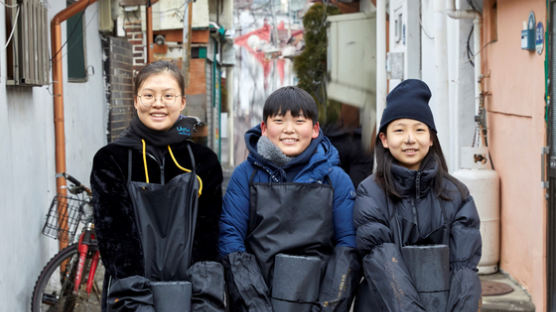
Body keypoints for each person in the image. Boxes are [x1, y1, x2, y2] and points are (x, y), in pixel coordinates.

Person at [91, 61, 225, 311]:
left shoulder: (203, 161)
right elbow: (115, 239)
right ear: (135, 100)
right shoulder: (111, 159)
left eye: (168, 95)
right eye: (149, 95)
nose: (158, 103)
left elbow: (208, 237)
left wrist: (202, 302)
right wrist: (138, 304)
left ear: (182, 102)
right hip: (132, 297)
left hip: (193, 296)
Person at [219, 86, 361, 312]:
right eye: (279, 120)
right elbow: (231, 238)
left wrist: (327, 307)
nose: (289, 130)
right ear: (264, 128)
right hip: (256, 301)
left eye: (299, 121)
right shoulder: (245, 176)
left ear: (315, 129)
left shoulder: (336, 180)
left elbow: (347, 246)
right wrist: (256, 304)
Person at [353, 79, 482, 311]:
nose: (410, 139)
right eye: (399, 130)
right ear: (384, 139)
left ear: (431, 139)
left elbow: (464, 269)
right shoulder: (370, 193)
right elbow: (382, 262)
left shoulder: (458, 195)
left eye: (419, 130)